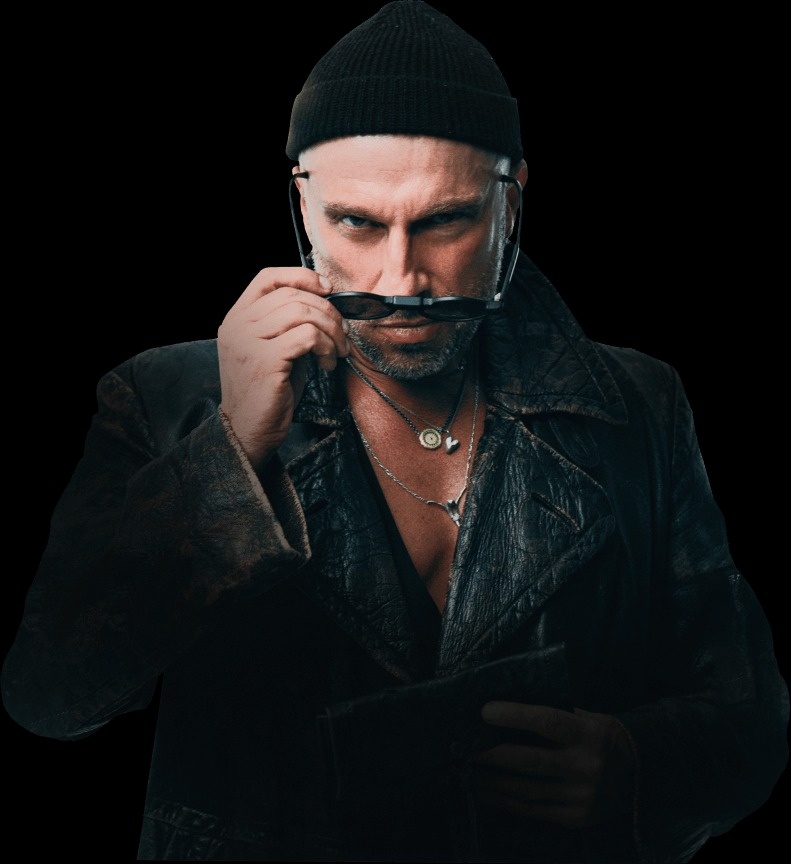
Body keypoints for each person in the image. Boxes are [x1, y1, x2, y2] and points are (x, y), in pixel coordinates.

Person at [2, 1, 787, 861]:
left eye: (445, 220)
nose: (401, 278)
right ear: (302, 207)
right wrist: (229, 452)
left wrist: (638, 765)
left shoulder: (639, 404)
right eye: (358, 223)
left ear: (511, 201)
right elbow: (50, 696)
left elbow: (746, 716)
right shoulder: (165, 399)